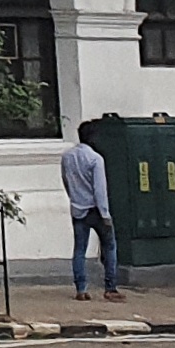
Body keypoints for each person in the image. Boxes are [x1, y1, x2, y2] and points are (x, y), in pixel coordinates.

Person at [61, 120, 124, 300]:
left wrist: (74, 199)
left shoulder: (67, 157)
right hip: (96, 209)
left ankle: (81, 289)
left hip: (78, 208)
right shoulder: (96, 159)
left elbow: (66, 181)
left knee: (80, 249)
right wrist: (105, 214)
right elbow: (100, 189)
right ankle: (110, 287)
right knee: (110, 246)